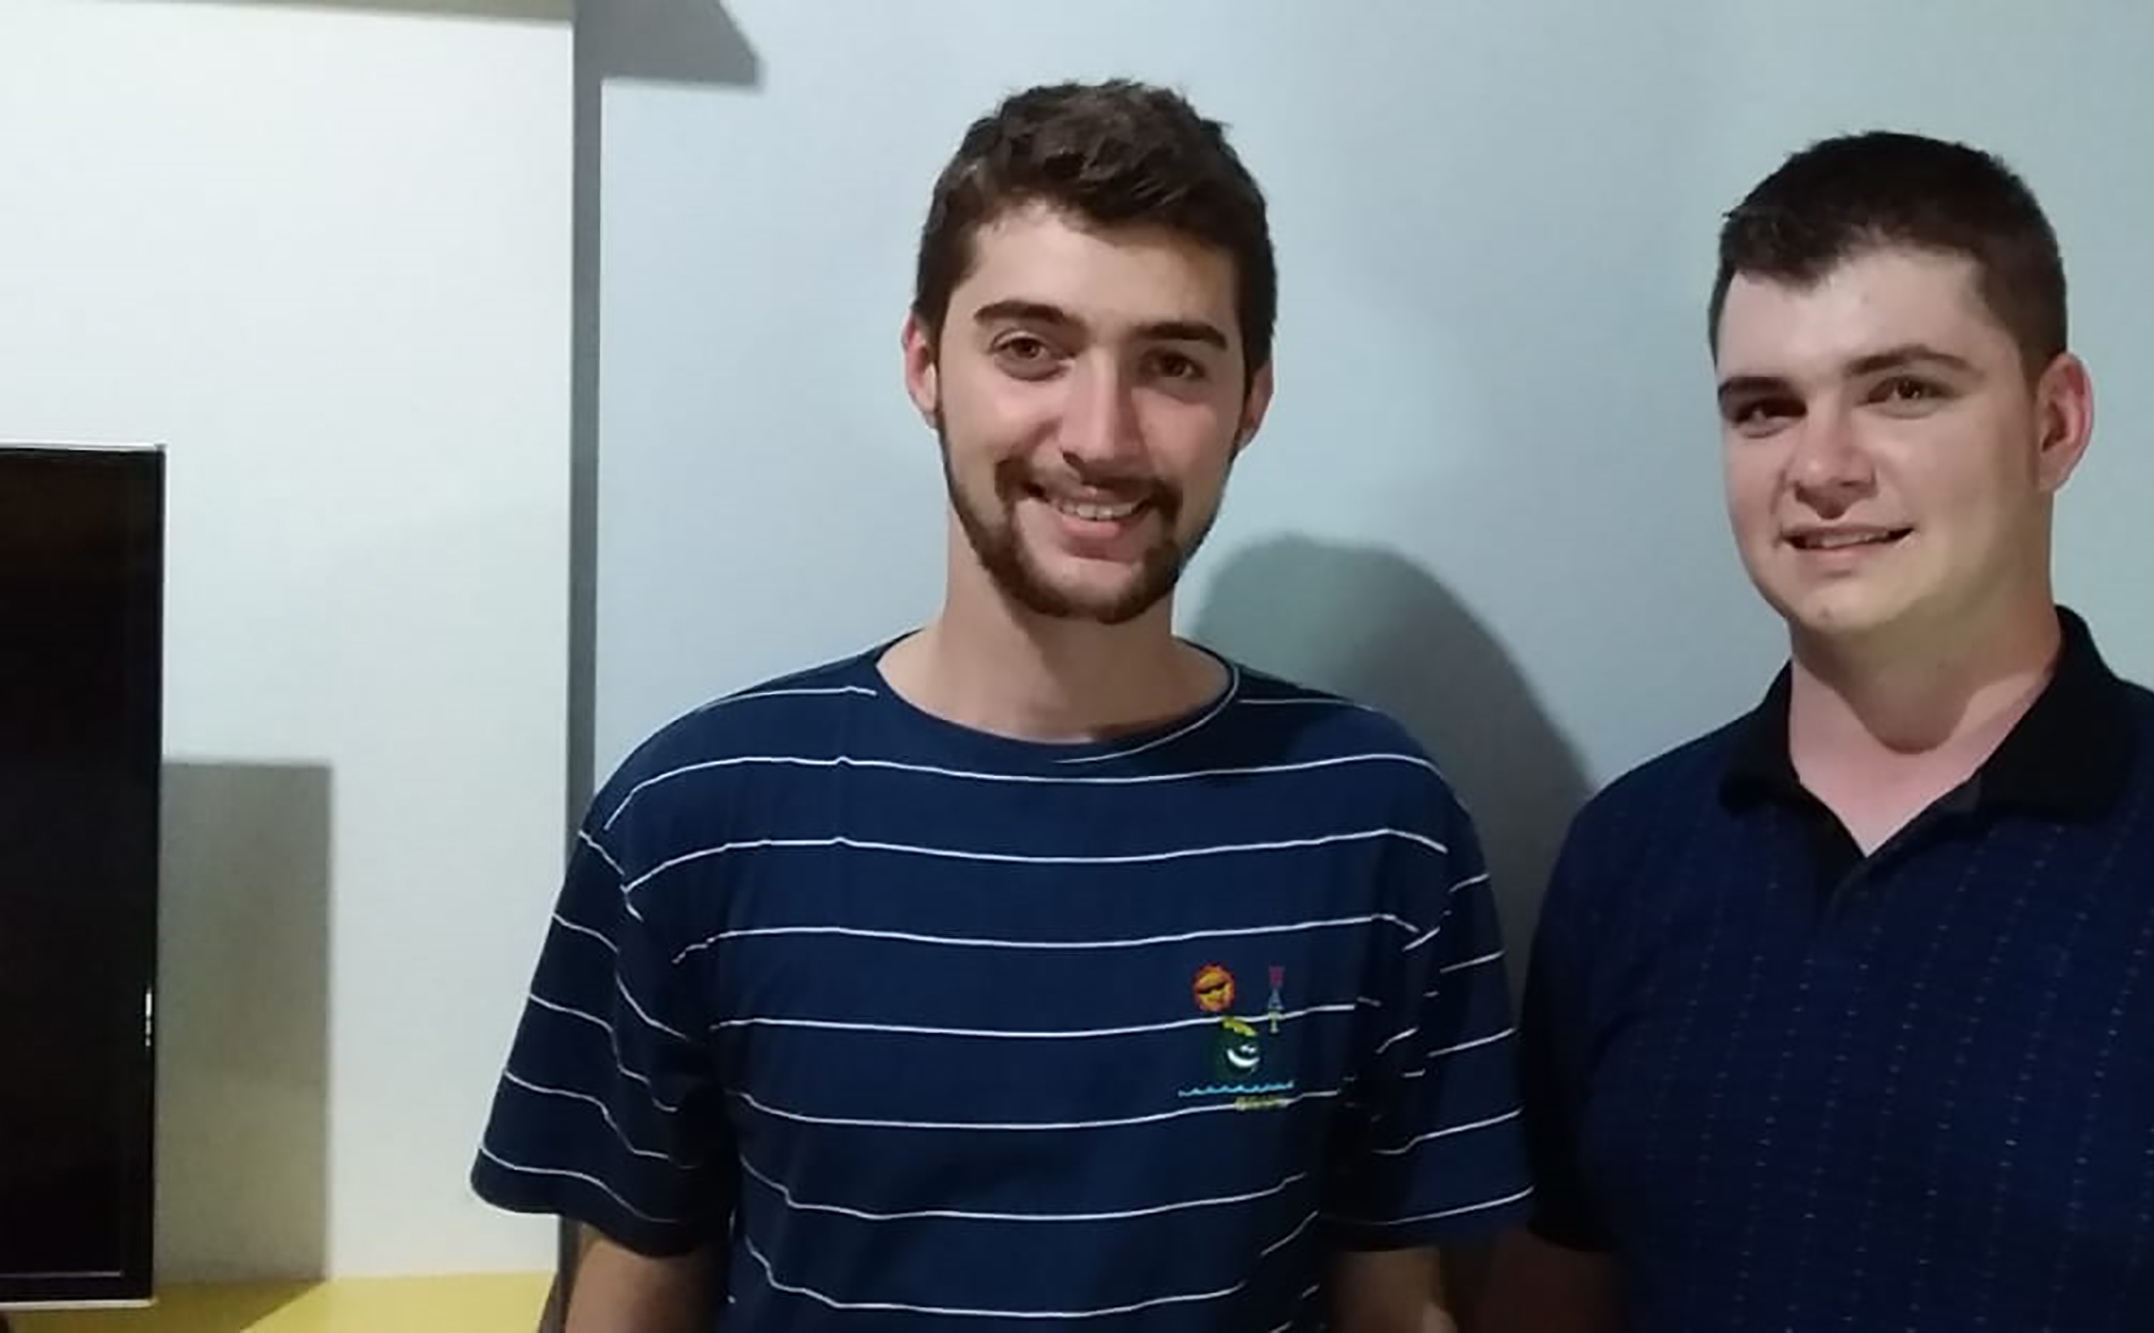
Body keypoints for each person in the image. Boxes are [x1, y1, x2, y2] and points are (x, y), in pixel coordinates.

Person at [471, 78, 1529, 1332]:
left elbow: (1397, 1304)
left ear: (1252, 398)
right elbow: (625, 1295)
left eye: (1172, 363)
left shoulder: (1373, 819)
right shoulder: (694, 819)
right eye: (1031, 348)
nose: (1099, 435)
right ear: (926, 365)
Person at [1483, 131, 2154, 1332]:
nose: (1820, 466)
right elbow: (1548, 1299)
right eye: (1764, 408)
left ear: (2054, 422)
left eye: (1902, 390)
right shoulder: (1627, 856)